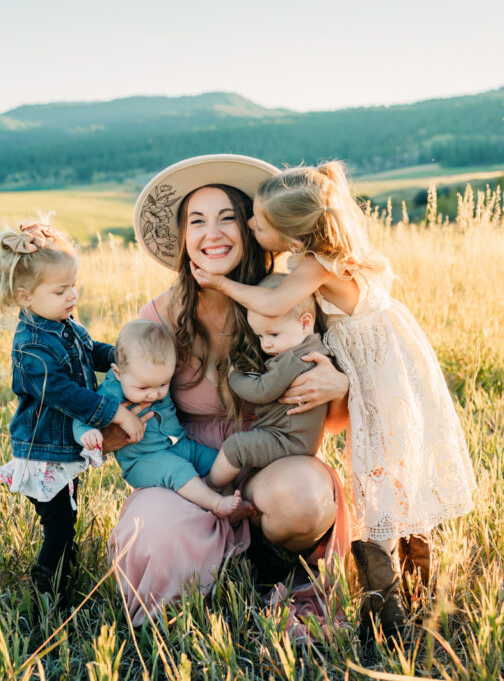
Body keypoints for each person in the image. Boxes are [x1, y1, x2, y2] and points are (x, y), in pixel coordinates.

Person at [191, 160, 478, 636]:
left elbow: (270, 304)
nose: (251, 226)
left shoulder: (314, 264)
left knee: (379, 477)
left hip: (379, 380)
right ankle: (414, 589)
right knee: (394, 473)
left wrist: (222, 283)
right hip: (391, 374)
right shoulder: (340, 255)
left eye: (259, 222)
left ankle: (385, 609)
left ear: (293, 235)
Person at [107, 155, 351, 630]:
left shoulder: (288, 301)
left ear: (250, 229)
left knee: (305, 497)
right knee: (150, 531)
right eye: (197, 221)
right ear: (183, 237)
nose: (212, 233)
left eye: (228, 219)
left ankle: (268, 567)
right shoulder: (155, 319)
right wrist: (108, 422)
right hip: (191, 476)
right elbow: (120, 416)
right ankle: (210, 580)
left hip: (272, 460)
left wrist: (339, 386)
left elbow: (336, 420)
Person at [0, 219, 146, 605]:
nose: (72, 295)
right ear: (26, 297)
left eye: (74, 285)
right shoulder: (30, 348)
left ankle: (63, 565)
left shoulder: (64, 324)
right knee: (57, 524)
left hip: (62, 451)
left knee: (65, 518)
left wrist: (121, 356)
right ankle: (49, 590)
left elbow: (91, 350)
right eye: (61, 290)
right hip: (43, 451)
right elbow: (64, 394)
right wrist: (115, 413)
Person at [73, 320, 247, 518]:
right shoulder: (110, 393)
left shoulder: (150, 377)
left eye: (163, 385)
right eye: (144, 388)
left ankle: (229, 509)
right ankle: (216, 504)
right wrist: (87, 432)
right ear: (118, 373)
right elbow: (81, 417)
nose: (154, 394)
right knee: (176, 469)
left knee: (215, 461)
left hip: (181, 446)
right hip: (143, 460)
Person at [206, 273, 331, 488]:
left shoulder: (294, 359)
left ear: (305, 323)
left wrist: (234, 376)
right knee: (246, 459)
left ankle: (210, 488)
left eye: (273, 334)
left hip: (286, 440)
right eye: (260, 337)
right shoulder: (316, 348)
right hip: (296, 439)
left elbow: (261, 391)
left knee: (236, 448)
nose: (266, 345)